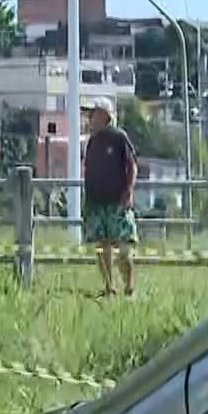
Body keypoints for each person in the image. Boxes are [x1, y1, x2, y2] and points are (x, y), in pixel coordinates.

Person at [81, 96, 138, 297]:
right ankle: (109, 287)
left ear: (105, 115)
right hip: (97, 202)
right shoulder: (92, 142)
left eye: (93, 113)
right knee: (101, 247)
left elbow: (132, 166)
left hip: (117, 201)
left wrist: (128, 191)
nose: (90, 118)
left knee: (123, 248)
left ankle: (129, 287)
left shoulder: (119, 137)